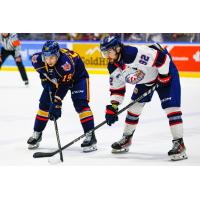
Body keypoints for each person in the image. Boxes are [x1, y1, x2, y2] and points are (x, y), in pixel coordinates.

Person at [100, 35, 187, 161]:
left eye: (109, 52)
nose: (107, 56)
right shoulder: (113, 66)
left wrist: (164, 75)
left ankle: (179, 143)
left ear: (117, 49)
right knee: (134, 108)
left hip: (164, 71)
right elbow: (117, 87)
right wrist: (113, 105)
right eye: (104, 53)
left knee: (171, 108)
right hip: (145, 80)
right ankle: (127, 138)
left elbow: (163, 59)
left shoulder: (132, 53)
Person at [27, 40, 97, 152]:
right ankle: (37, 133)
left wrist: (57, 103)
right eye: (46, 57)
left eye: (52, 57)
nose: (49, 60)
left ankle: (90, 136)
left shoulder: (65, 65)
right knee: (44, 104)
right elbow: (43, 74)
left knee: (81, 104)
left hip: (78, 78)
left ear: (58, 55)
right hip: (57, 79)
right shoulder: (37, 60)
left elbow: (65, 85)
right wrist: (47, 84)